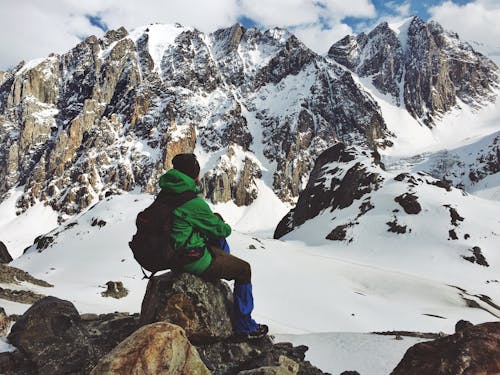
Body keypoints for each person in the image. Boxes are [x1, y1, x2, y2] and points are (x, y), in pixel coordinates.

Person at [159, 153, 268, 340]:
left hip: (171, 253)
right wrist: (221, 222)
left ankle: (220, 268)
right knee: (243, 270)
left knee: (212, 231)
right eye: (197, 173)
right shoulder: (192, 202)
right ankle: (245, 326)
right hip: (189, 258)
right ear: (193, 174)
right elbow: (222, 231)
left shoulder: (166, 193)